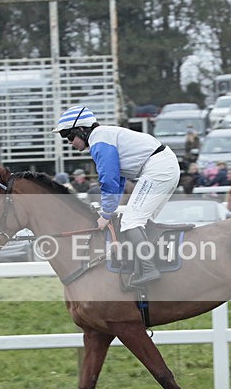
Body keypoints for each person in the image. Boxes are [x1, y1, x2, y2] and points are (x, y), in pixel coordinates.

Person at [53, 105, 179, 287]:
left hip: (158, 168)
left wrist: (106, 214)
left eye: (69, 136)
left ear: (81, 130)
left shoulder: (99, 140)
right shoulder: (103, 136)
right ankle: (144, 268)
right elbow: (118, 180)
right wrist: (110, 209)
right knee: (141, 221)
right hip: (163, 165)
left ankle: (149, 269)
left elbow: (109, 179)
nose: (70, 142)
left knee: (131, 221)